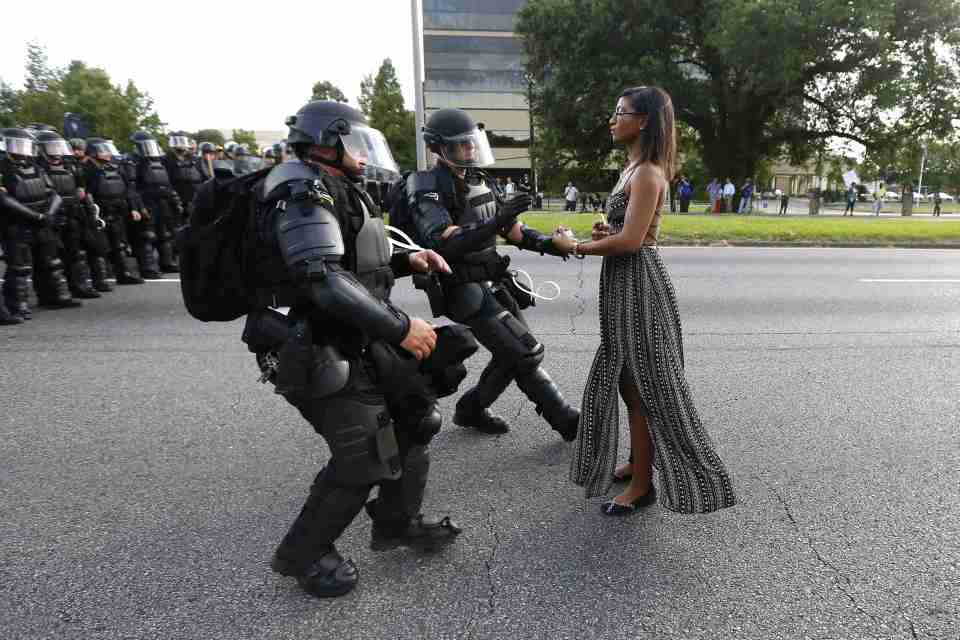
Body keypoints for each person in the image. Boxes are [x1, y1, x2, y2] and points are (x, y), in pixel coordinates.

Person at [248, 100, 465, 598]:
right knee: (364, 455)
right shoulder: (300, 190)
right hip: (311, 342)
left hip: (353, 333)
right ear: (328, 142)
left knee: (416, 418)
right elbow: (323, 281)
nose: (365, 155)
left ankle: (395, 522)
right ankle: (302, 554)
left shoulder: (333, 187)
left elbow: (354, 260)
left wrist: (412, 260)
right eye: (356, 144)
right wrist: (400, 326)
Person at [551, 86, 737, 516]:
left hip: (639, 287)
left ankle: (642, 486)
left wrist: (575, 246)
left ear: (644, 120)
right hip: (623, 283)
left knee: (643, 387)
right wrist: (604, 232)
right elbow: (624, 232)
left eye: (621, 112)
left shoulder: (649, 172)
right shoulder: (631, 168)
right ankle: (639, 461)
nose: (613, 119)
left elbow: (633, 241)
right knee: (626, 379)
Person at [407, 107, 580, 440]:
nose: (470, 150)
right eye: (462, 145)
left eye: (472, 143)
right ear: (438, 147)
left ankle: (471, 408)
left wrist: (551, 244)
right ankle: (566, 420)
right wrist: (496, 221)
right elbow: (444, 242)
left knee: (514, 352)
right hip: (461, 286)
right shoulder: (425, 185)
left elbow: (512, 229)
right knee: (524, 351)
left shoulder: (478, 180)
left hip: (492, 279)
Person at [1, 127, 82, 317]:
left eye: (24, 145)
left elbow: (53, 193)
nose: (21, 150)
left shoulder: (36, 166)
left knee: (52, 261)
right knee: (20, 267)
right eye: (16, 145)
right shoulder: (3, 168)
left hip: (42, 221)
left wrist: (49, 214)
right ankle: (17, 305)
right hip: (16, 223)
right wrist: (34, 216)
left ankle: (55, 296)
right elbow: (4, 199)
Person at [34, 130, 101, 299]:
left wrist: (90, 209)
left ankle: (78, 286)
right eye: (51, 147)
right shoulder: (38, 167)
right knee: (50, 257)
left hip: (72, 213)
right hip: (49, 215)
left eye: (58, 146)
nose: (56, 151)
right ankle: (51, 294)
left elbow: (82, 190)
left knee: (76, 253)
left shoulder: (71, 165)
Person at [81, 138, 145, 285]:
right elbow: (85, 192)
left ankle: (124, 274)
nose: (108, 153)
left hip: (117, 210)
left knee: (119, 245)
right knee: (99, 247)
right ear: (93, 152)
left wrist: (133, 208)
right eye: (103, 150)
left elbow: (127, 189)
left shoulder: (114, 167)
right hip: (99, 212)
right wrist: (92, 212)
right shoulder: (86, 169)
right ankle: (100, 280)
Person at [128, 131, 181, 274]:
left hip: (162, 202)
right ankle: (148, 267)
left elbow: (167, 183)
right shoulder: (135, 162)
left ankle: (167, 262)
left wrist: (174, 200)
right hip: (147, 202)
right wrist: (138, 207)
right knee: (148, 235)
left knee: (165, 234)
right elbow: (132, 188)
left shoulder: (158, 161)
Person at [164, 132, 204, 223]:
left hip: (192, 197)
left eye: (182, 142)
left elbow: (200, 176)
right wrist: (173, 197)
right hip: (175, 197)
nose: (181, 146)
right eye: (178, 142)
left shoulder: (194, 159)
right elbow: (165, 180)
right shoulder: (166, 159)